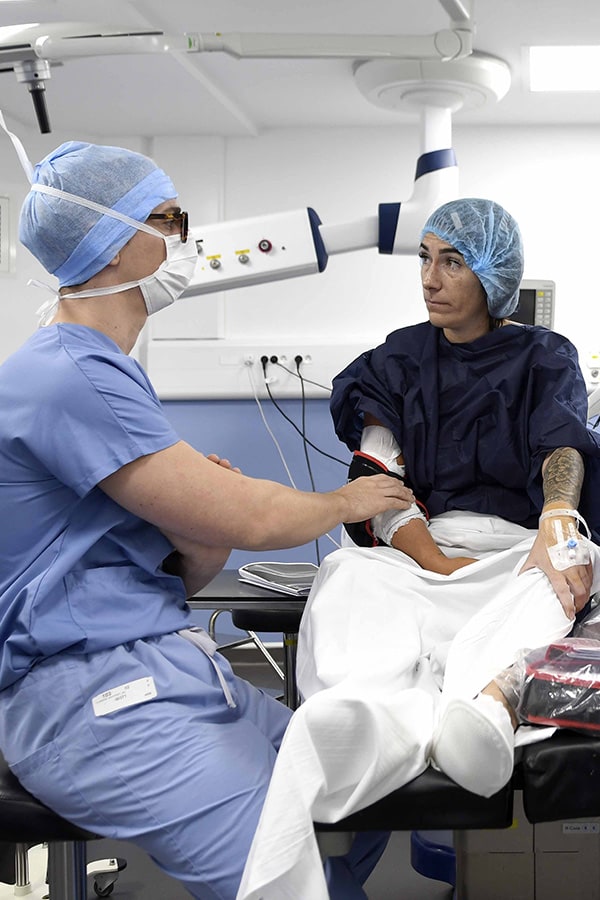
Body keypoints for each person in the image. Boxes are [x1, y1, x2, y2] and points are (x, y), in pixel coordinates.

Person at [0, 135, 415, 899]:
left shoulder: (108, 378)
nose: (187, 238)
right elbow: (256, 518)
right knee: (281, 884)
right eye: (171, 218)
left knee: (361, 771)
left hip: (167, 668)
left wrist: (199, 519)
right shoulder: (65, 375)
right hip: (97, 704)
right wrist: (347, 501)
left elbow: (190, 567)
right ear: (119, 242)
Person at [235, 198, 600, 900]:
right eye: (424, 258)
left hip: (517, 550)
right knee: (344, 572)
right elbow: (381, 476)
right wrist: (433, 562)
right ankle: (369, 714)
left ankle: (487, 705)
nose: (430, 278)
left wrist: (558, 516)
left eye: (452, 261)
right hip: (420, 550)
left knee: (569, 573)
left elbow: (563, 444)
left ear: (493, 278)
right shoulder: (399, 358)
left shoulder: (542, 356)